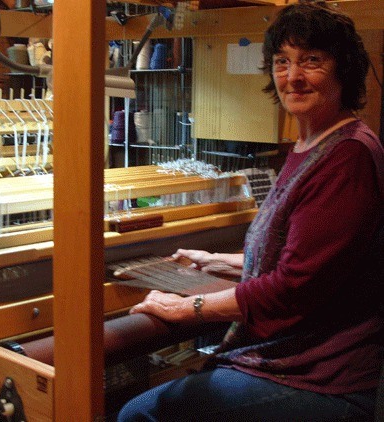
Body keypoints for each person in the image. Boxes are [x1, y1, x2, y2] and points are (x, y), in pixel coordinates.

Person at [117, 2, 384, 421]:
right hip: (294, 361)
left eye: (311, 61)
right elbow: (308, 259)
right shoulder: (312, 146)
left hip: (319, 377)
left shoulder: (346, 157)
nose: (293, 76)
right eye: (282, 61)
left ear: (343, 70)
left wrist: (184, 308)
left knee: (141, 414)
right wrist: (219, 261)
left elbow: (294, 286)